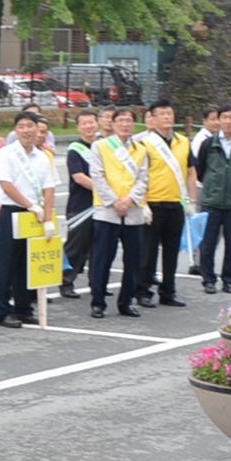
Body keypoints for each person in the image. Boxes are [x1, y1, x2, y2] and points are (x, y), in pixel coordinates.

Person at [87, 107, 154, 319]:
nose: (125, 124)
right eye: (121, 120)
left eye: (129, 121)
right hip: (107, 210)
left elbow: (143, 178)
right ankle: (98, 302)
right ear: (113, 124)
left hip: (133, 211)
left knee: (133, 260)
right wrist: (115, 201)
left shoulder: (140, 149)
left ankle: (126, 302)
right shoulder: (100, 146)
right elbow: (97, 177)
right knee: (102, 259)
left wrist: (129, 200)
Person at [0, 111, 58, 327]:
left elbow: (49, 188)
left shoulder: (42, 156)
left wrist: (48, 219)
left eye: (30, 126)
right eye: (21, 126)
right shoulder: (6, 153)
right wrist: (29, 205)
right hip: (13, 211)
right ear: (15, 130)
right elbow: (6, 184)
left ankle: (23, 307)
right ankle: (3, 311)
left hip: (36, 215)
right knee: (7, 263)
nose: (26, 130)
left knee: (27, 263)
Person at [134, 100, 194, 308]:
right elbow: (138, 175)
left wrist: (191, 200)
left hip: (175, 203)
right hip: (153, 203)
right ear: (153, 118)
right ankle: (142, 291)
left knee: (171, 251)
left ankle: (168, 291)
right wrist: (142, 204)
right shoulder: (145, 143)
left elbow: (190, 171)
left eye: (170, 113)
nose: (167, 117)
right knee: (148, 252)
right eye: (162, 114)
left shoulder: (184, 142)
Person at [191, 106, 231, 295]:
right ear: (218, 120)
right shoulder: (209, 144)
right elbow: (200, 170)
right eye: (223, 117)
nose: (227, 121)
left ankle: (229, 281)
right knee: (208, 243)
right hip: (211, 200)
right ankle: (208, 279)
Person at [60, 111, 100, 301]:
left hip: (101, 205)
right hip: (81, 205)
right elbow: (79, 177)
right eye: (84, 123)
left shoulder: (102, 147)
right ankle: (66, 281)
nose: (88, 126)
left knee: (99, 247)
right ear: (78, 127)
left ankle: (97, 282)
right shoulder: (75, 150)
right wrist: (104, 189)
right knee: (76, 246)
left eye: (91, 122)